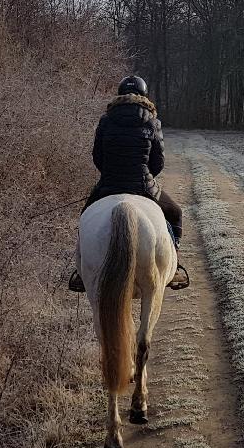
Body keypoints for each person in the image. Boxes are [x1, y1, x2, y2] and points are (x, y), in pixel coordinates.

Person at [69, 75, 189, 292]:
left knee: (86, 215)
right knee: (175, 213)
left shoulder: (106, 121)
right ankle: (175, 267)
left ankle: (80, 272)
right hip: (144, 187)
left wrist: (112, 174)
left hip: (109, 185)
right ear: (144, 96)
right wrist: (145, 176)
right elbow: (158, 162)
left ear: (120, 95)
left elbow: (98, 157)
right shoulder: (153, 122)